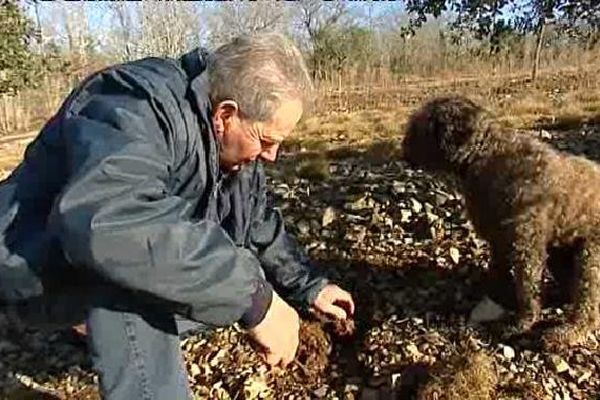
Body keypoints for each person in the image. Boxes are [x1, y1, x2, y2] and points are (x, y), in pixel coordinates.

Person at [0, 32, 355, 399]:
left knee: (206, 280)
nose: (273, 156)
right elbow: (110, 224)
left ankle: (95, 327)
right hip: (28, 267)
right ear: (226, 115)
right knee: (145, 267)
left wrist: (311, 286)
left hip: (79, 267)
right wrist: (256, 301)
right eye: (266, 141)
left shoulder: (232, 148)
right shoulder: (137, 103)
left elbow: (256, 217)